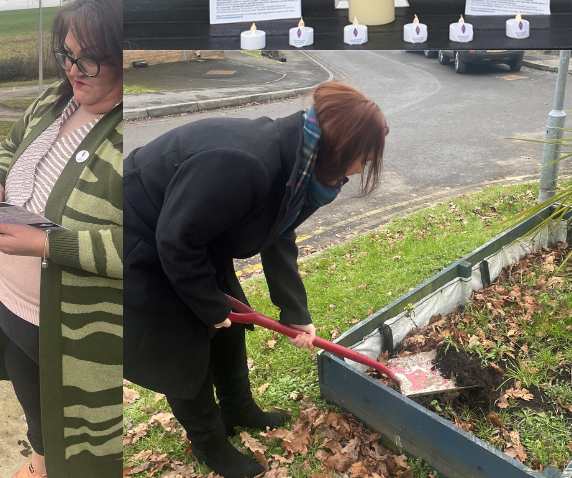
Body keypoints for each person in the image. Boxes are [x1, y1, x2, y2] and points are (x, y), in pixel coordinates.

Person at [122, 82, 388, 478]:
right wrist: (209, 307)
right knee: (181, 347)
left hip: (195, 233)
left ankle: (239, 408)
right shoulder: (247, 162)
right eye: (363, 160)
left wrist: (294, 310)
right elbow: (174, 240)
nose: (359, 170)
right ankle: (210, 444)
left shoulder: (297, 166)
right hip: (141, 233)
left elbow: (278, 231)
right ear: (341, 147)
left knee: (230, 329)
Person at [0, 0, 125, 478]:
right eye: (66, 55)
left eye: (89, 59)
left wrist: (47, 243)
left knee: (82, 433)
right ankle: (40, 460)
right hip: (10, 300)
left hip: (72, 326)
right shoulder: (54, 101)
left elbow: (141, 246)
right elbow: (11, 144)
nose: (72, 71)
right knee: (28, 389)